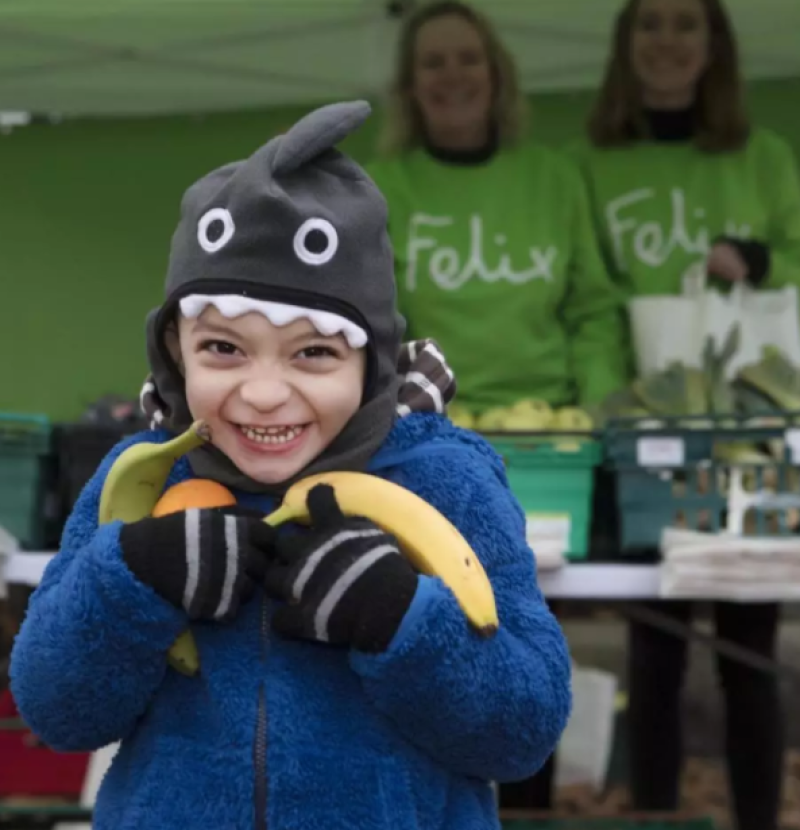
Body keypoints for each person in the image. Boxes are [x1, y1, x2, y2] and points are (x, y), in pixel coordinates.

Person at [9, 101, 571, 830]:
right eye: (222, 349)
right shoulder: (140, 483)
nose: (265, 393)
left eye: (314, 353)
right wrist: (130, 584)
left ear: (369, 361)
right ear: (174, 350)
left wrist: (402, 620)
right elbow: (56, 713)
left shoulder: (446, 478)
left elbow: (524, 731)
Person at [570, 1, 800, 828]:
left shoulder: (763, 159)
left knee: (750, 651)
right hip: (642, 446)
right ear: (625, 45)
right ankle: (657, 817)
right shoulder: (589, 165)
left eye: (687, 24)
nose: (667, 42)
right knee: (655, 648)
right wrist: (607, 403)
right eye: (650, 23)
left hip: (748, 440)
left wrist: (766, 259)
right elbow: (587, 297)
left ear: (716, 47)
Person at [366, 0, 628, 418]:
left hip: (553, 424)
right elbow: (369, 324)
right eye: (433, 63)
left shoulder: (555, 178)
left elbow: (593, 311)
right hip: (430, 421)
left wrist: (601, 407)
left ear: (497, 75)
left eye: (469, 59)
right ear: (409, 86)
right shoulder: (377, 189)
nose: (453, 75)